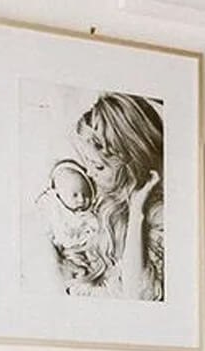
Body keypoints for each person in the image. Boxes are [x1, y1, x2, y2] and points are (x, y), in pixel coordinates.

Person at [70, 93, 164, 301]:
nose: (89, 173)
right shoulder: (105, 195)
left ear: (134, 166)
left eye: (98, 166)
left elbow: (139, 295)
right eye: (88, 162)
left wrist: (136, 213)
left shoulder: (158, 217)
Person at [36, 159, 98, 290]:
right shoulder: (55, 211)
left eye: (85, 194)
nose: (81, 199)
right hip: (65, 254)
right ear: (59, 194)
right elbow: (45, 233)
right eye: (75, 195)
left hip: (87, 253)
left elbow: (95, 231)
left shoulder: (89, 215)